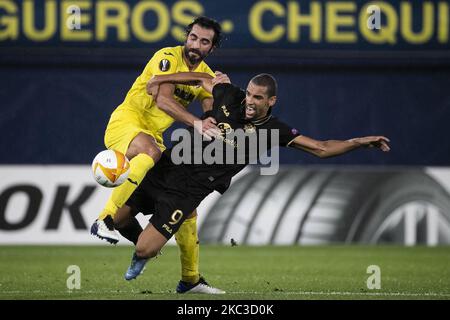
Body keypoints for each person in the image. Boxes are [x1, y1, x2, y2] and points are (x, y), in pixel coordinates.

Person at [111, 72, 390, 293]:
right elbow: (200, 80)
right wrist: (161, 79)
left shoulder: (273, 130)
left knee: (144, 249)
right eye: (249, 94)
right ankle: (148, 246)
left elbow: (321, 147)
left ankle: (145, 252)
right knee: (119, 219)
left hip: (188, 192)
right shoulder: (229, 95)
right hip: (168, 167)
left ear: (271, 101)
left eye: (258, 97)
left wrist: (358, 142)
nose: (250, 101)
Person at [90, 16, 228, 293]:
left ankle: (190, 279)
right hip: (126, 123)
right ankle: (103, 219)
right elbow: (163, 99)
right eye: (193, 37)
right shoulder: (167, 57)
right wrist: (197, 122)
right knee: (151, 152)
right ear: (186, 36)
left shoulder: (205, 74)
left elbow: (210, 105)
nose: (195, 45)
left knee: (185, 204)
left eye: (204, 42)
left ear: (211, 48)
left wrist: (217, 101)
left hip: (153, 138)